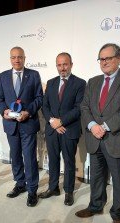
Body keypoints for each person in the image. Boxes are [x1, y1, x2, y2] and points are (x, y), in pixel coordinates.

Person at [75, 43, 120, 223]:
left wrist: (103, 126)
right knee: (96, 178)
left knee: (119, 181)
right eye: (101, 59)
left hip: (117, 140)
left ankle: (118, 213)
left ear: (119, 59)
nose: (104, 62)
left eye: (108, 58)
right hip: (94, 139)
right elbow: (85, 106)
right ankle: (95, 206)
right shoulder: (93, 81)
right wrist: (91, 125)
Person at [0, 46, 43, 207]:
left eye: (20, 57)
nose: (17, 60)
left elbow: (39, 98)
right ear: (10, 59)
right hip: (10, 125)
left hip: (28, 123)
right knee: (15, 156)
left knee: (29, 158)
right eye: (14, 57)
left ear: (24, 58)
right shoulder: (2, 77)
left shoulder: (34, 75)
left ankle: (32, 190)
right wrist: (4, 111)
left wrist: (28, 112)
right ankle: (20, 184)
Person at [39, 52, 86, 206]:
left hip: (69, 130)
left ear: (71, 64)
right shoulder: (51, 82)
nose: (62, 68)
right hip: (52, 130)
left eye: (65, 64)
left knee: (69, 162)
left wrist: (61, 122)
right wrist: (53, 121)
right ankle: (53, 188)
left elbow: (78, 108)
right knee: (53, 160)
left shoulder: (80, 83)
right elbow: (45, 106)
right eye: (59, 65)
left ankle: (68, 192)